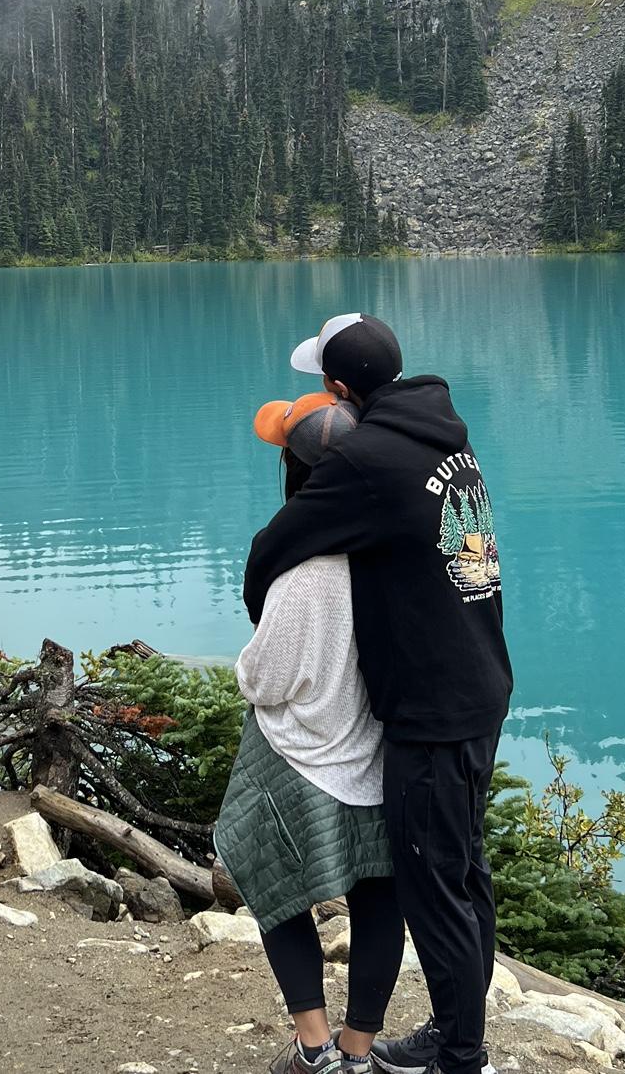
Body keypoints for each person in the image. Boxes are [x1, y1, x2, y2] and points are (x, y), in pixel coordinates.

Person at [242, 314, 513, 1074]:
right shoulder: (445, 438)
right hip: (482, 681)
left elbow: (276, 546)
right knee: (464, 874)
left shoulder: (367, 460)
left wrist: (263, 600)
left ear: (337, 388)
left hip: (431, 708)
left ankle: (460, 1057)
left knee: (434, 889)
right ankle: (455, 1033)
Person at [215, 390, 406, 1074]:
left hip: (304, 760)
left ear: (295, 473)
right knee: (379, 897)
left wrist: (245, 665)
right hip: (378, 760)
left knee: (269, 877)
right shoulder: (393, 552)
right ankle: (357, 1052)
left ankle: (313, 1044)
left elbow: (264, 680)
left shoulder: (303, 571)